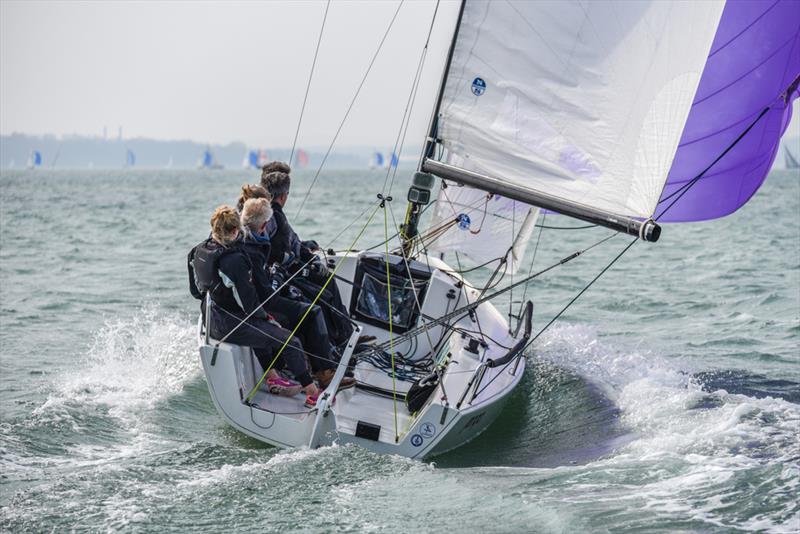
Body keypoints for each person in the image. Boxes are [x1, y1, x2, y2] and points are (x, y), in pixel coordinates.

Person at [188, 205, 321, 406]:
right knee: (289, 340)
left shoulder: (198, 250)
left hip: (211, 317)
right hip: (228, 324)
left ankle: (272, 375)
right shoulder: (234, 261)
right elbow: (249, 304)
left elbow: (196, 292)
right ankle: (312, 393)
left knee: (263, 330)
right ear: (235, 231)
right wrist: (269, 320)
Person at [239, 198, 355, 390]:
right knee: (312, 312)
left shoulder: (248, 240)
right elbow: (265, 291)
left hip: (261, 299)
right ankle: (324, 373)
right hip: (262, 305)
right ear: (265, 225)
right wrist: (276, 278)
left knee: (305, 302)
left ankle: (317, 362)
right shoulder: (252, 248)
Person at [261, 165, 356, 350]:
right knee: (323, 297)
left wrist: (305, 247)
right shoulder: (270, 215)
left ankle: (345, 335)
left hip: (290, 268)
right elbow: (266, 248)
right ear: (283, 195)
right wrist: (286, 257)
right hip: (282, 275)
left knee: (327, 281)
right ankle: (338, 343)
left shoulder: (274, 213)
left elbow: (288, 240)